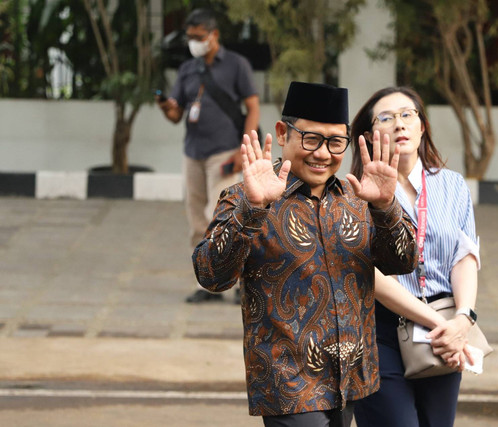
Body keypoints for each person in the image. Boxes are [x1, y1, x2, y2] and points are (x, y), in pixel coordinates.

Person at [192, 81, 453, 427]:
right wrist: (252, 209)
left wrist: (386, 207)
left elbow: (402, 262)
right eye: (311, 139)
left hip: (350, 380)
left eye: (335, 142)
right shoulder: (248, 195)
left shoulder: (357, 197)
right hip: (288, 385)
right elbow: (211, 275)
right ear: (283, 133)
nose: (322, 154)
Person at [350, 87, 481, 427]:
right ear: (368, 135)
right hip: (382, 329)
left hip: (443, 328)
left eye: (408, 115)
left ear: (422, 127)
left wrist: (463, 319)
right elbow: (372, 276)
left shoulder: (453, 185)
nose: (399, 124)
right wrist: (441, 325)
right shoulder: (356, 193)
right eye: (387, 117)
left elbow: (464, 256)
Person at [156, 8, 259, 304]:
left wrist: (245, 149)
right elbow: (177, 113)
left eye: (198, 37)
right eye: (189, 38)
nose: (193, 42)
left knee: (224, 218)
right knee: (197, 221)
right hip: (193, 153)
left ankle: (240, 282)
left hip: (224, 153)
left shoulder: (237, 65)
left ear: (213, 35)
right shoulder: (188, 69)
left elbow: (252, 107)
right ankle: (207, 283)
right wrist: (166, 106)